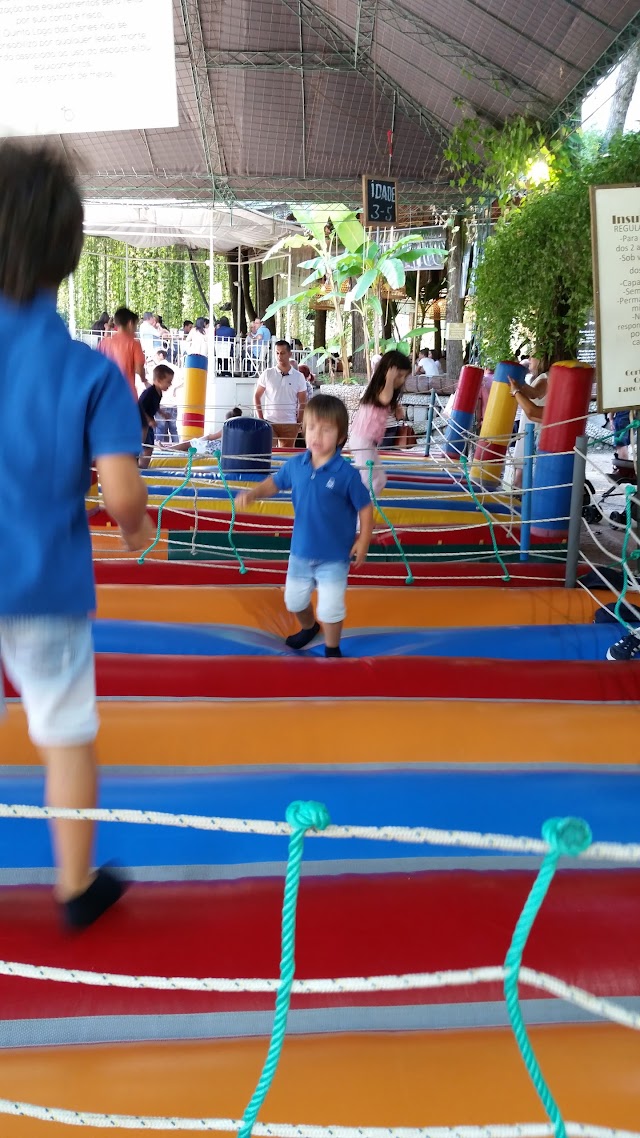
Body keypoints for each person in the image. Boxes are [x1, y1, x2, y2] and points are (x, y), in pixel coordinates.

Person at [0, 141, 154, 929]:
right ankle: (74, 886)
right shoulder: (91, 373)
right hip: (43, 589)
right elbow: (122, 490)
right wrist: (139, 531)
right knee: (64, 736)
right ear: (68, 253)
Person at [235, 394, 373, 659]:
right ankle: (309, 628)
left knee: (331, 607)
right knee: (295, 601)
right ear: (303, 429)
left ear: (341, 437)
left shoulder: (346, 474)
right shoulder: (296, 465)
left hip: (334, 556)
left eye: (326, 429)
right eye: (311, 427)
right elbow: (274, 483)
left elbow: (365, 507)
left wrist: (363, 538)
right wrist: (253, 493)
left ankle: (332, 648)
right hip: (300, 552)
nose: (316, 435)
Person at [349, 350, 412, 493]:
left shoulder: (381, 389)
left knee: (379, 481)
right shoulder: (379, 388)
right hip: (362, 441)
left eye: (404, 377)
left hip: (366, 442)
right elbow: (384, 399)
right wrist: (390, 378)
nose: (402, 380)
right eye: (400, 376)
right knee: (371, 482)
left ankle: (362, 512)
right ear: (387, 372)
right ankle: (359, 513)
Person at [254, 339, 307, 447]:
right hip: (269, 421)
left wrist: (298, 422)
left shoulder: (299, 376)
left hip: (290, 423)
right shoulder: (267, 373)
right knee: (268, 453)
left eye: (282, 353)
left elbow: (303, 402)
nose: (279, 356)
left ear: (289, 354)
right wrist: (261, 418)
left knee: (286, 455)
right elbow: (257, 396)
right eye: (277, 353)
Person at [509, 358, 548, 490]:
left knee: (522, 473)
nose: (530, 359)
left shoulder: (546, 377)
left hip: (534, 429)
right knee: (521, 469)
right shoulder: (543, 377)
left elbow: (534, 394)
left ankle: (519, 503)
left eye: (534, 356)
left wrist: (516, 390)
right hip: (531, 427)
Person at [97, 306, 147, 399]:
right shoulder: (134, 344)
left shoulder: (103, 343)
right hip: (126, 395)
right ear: (130, 324)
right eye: (136, 326)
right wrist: (144, 379)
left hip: (105, 395)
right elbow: (139, 369)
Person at [163, 407, 242, 454]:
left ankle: (167, 449)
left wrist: (200, 439)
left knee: (191, 443)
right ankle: (169, 448)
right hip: (225, 449)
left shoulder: (227, 428)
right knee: (191, 446)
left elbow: (210, 437)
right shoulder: (241, 429)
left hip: (217, 449)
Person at [138, 364, 174, 468]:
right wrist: (149, 420)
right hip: (140, 422)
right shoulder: (149, 393)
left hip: (147, 423)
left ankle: (143, 467)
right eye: (168, 382)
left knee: (149, 447)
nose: (170, 384)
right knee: (141, 444)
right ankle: (134, 466)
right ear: (158, 380)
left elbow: (155, 406)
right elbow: (140, 407)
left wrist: (162, 413)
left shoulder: (159, 393)